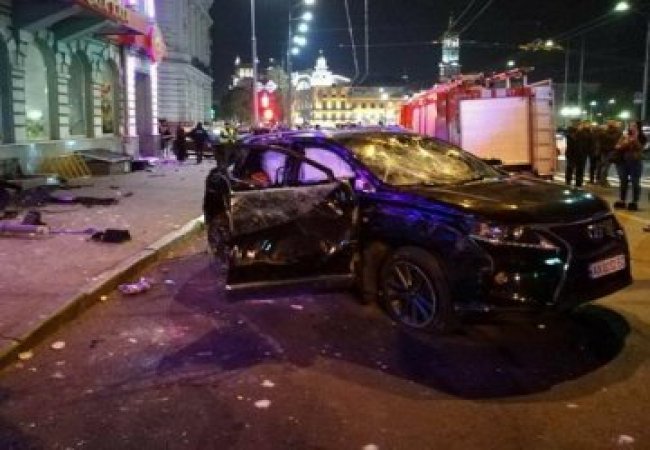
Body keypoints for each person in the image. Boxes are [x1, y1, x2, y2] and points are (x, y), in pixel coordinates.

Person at [613, 120, 646, 211]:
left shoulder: (642, 136)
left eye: (634, 126)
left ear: (638, 127)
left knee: (635, 182)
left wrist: (635, 139)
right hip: (623, 162)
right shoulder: (624, 135)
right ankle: (622, 200)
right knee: (623, 181)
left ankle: (634, 202)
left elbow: (640, 148)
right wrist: (626, 141)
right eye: (630, 125)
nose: (632, 127)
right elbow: (617, 146)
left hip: (635, 162)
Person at [598, 120, 623, 186]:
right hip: (607, 150)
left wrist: (604, 133)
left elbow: (613, 138)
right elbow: (600, 139)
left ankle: (602, 180)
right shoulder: (606, 131)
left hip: (610, 150)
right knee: (605, 166)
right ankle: (603, 181)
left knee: (606, 166)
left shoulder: (616, 132)